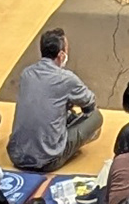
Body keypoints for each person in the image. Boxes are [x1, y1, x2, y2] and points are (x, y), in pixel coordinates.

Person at [12, 25, 101, 172]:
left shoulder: (26, 74)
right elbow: (89, 105)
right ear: (61, 55)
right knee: (96, 117)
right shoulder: (67, 79)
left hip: (17, 155)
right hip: (48, 160)